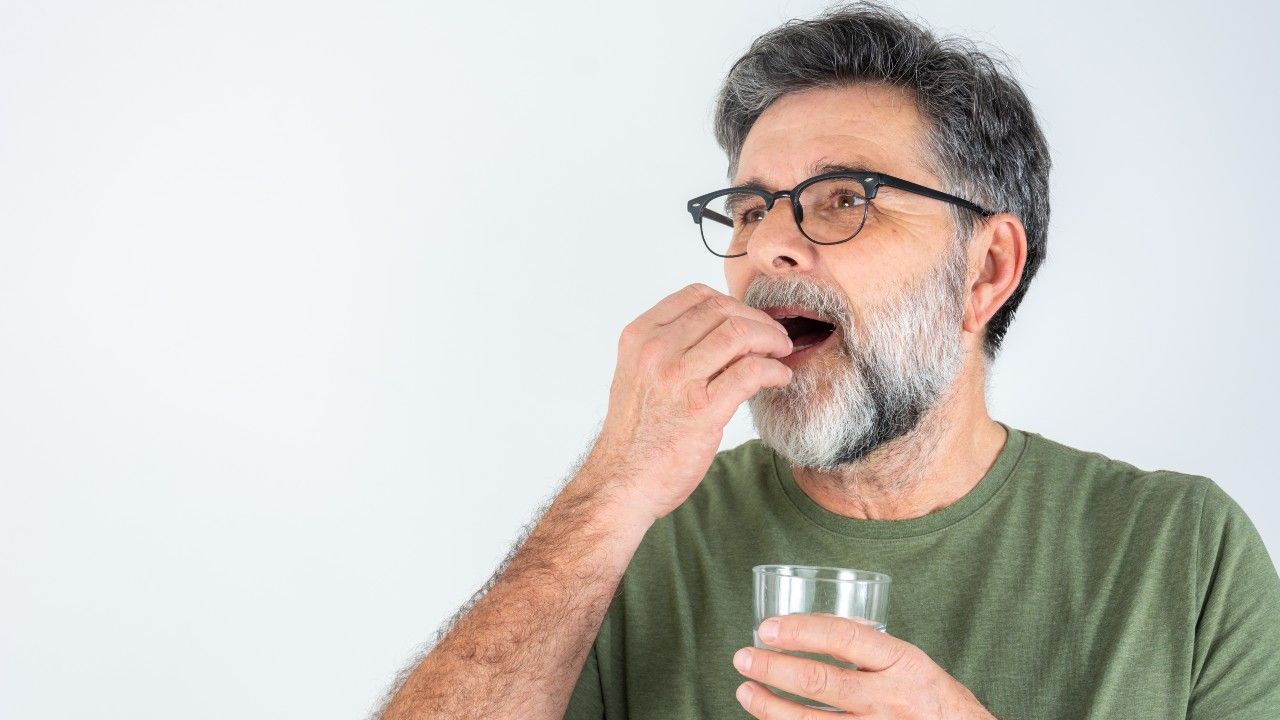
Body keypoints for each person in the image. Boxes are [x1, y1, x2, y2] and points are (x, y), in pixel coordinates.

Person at [374, 2, 1280, 718]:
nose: (771, 247)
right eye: (753, 208)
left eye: (845, 198)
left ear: (987, 270)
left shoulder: (1182, 552)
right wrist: (611, 487)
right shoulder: (634, 542)